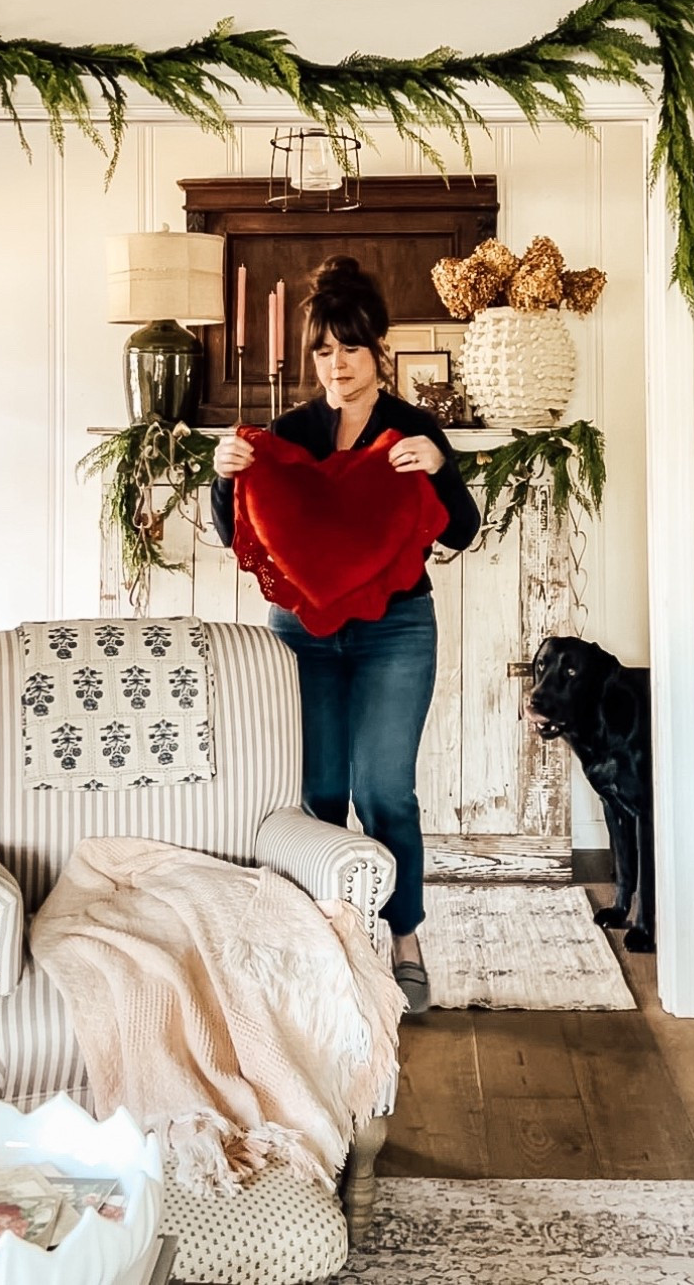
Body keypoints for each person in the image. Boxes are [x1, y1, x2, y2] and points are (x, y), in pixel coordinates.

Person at [211, 255, 481, 1014]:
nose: (337, 364)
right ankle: (325, 943)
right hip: (302, 635)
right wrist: (224, 475)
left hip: (397, 631)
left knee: (385, 791)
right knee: (320, 792)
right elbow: (236, 530)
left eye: (351, 349)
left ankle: (404, 941)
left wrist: (440, 466)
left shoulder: (412, 428)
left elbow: (461, 530)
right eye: (324, 350)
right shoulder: (289, 432)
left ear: (378, 350)